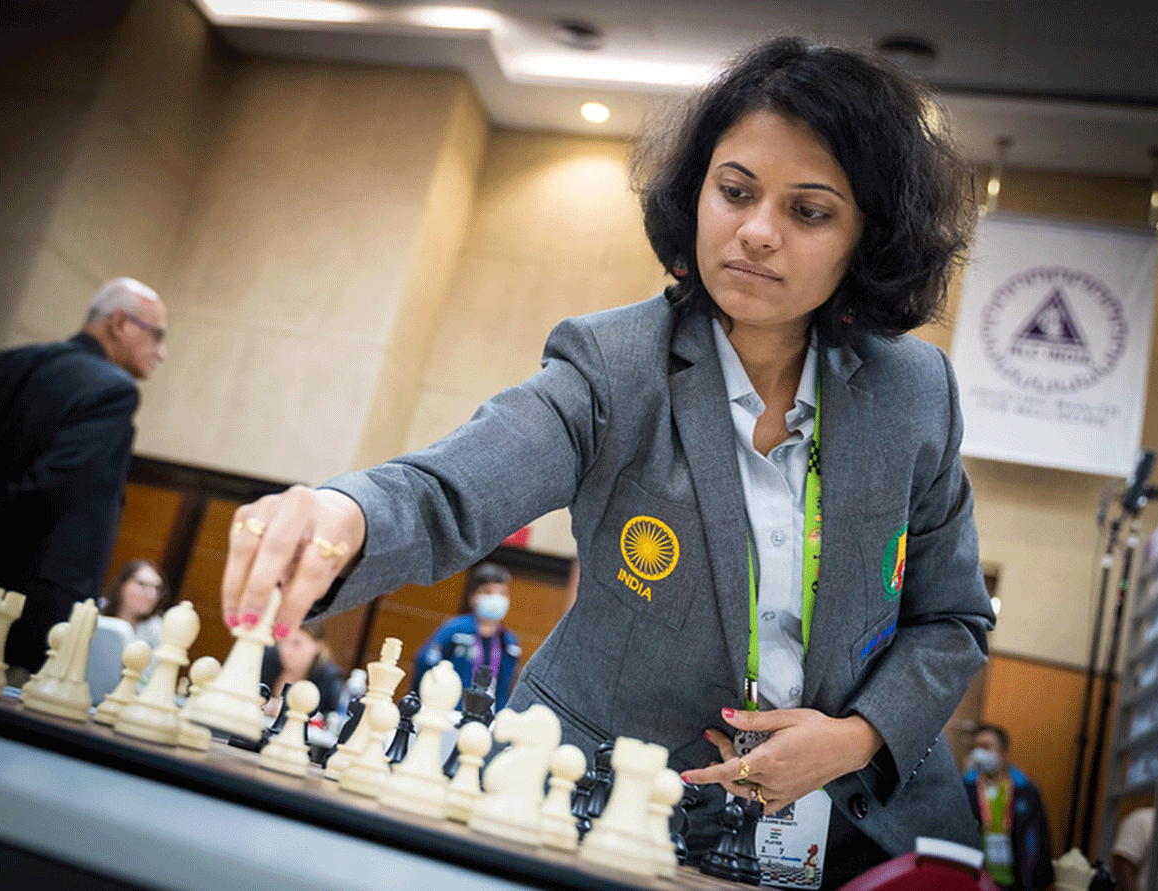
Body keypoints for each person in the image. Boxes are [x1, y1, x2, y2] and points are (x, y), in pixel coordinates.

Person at [219, 34, 994, 886]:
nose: (757, 232)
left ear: (866, 237)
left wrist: (857, 738)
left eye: (809, 211)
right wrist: (345, 512)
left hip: (859, 830)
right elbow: (452, 490)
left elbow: (952, 620)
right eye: (734, 191)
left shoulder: (914, 393)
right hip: (615, 803)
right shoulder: (613, 363)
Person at [0, 277, 167, 680]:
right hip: (30, 611)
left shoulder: (9, 362)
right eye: (156, 335)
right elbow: (52, 490)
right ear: (120, 323)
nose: (161, 353)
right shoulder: (113, 390)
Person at [411, 562, 521, 710]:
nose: (496, 599)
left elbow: (508, 685)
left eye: (503, 593)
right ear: (474, 597)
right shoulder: (455, 629)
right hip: (449, 713)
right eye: (488, 592)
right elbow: (425, 663)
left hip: (489, 718)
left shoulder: (509, 641)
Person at [962, 723, 1055, 891]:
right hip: (976, 879)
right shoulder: (966, 788)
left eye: (986, 747)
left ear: (1003, 752)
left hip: (1016, 882)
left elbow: (1039, 836)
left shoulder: (1025, 790)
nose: (979, 753)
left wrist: (1037, 881)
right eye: (976, 747)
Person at [260, 622, 344, 725]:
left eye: (296, 643)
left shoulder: (328, 677)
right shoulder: (268, 657)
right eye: (283, 641)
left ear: (317, 647)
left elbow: (330, 719)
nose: (286, 650)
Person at [98, 558, 170, 648]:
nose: (152, 595)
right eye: (142, 584)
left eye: (157, 588)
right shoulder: (96, 611)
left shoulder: (159, 630)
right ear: (122, 585)